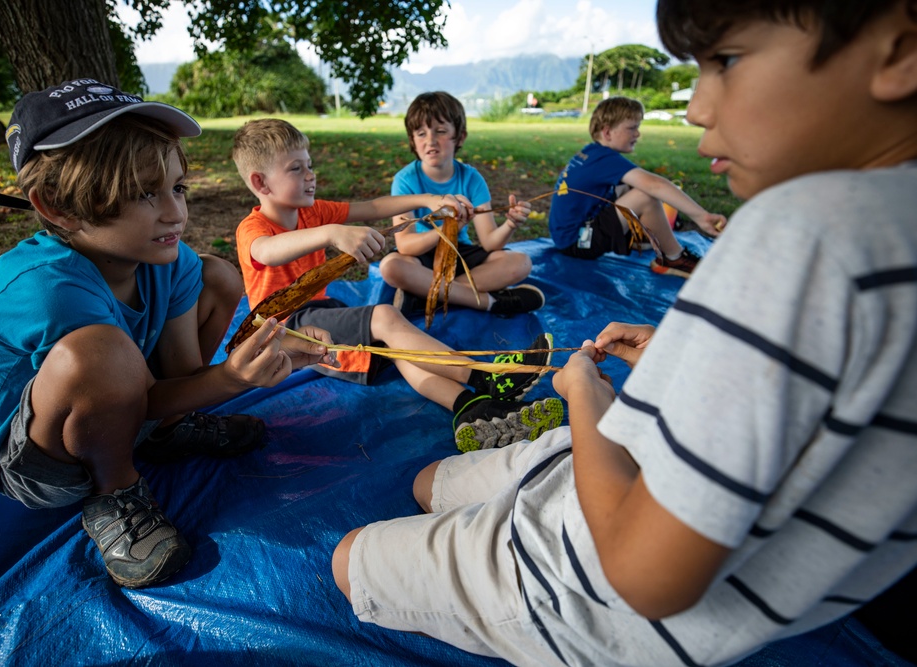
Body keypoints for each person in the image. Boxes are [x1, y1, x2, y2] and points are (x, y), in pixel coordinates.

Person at [331, 0, 917, 665]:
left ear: (898, 51)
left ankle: (497, 454)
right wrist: (681, 351)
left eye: (726, 61)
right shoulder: (873, 234)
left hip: (578, 579)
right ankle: (496, 413)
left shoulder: (802, 233)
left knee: (349, 556)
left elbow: (645, 574)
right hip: (617, 465)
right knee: (427, 481)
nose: (695, 108)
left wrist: (586, 395)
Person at [0, 79, 335, 589]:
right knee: (101, 354)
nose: (176, 212)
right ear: (57, 207)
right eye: (141, 193)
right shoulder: (48, 290)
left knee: (217, 274)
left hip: (126, 405)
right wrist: (231, 379)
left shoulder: (164, 262)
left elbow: (176, 380)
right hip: (34, 462)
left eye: (177, 188)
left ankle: (167, 435)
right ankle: (116, 493)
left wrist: (249, 363)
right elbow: (136, 382)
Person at [232, 118, 564, 453]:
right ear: (261, 183)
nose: (310, 175)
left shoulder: (313, 212)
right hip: (284, 331)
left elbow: (374, 207)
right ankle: (484, 376)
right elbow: (266, 251)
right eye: (295, 168)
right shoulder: (254, 228)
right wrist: (331, 232)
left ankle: (471, 409)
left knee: (402, 351)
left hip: (321, 320)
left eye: (310, 165)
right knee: (385, 317)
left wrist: (430, 199)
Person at [379, 91, 546, 316]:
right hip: (422, 253)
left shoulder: (471, 178)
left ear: (460, 137)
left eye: (440, 131)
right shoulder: (405, 180)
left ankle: (425, 296)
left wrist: (510, 225)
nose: (430, 141)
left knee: (521, 262)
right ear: (412, 140)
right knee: (391, 266)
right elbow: (406, 245)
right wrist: (449, 229)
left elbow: (489, 243)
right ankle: (490, 302)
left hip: (459, 253)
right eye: (421, 133)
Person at [547, 95, 728, 278]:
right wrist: (701, 216)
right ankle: (673, 258)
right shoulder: (604, 159)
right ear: (607, 132)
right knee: (645, 196)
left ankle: (643, 237)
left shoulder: (591, 152)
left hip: (568, 237)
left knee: (629, 186)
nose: (637, 134)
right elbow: (654, 185)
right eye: (632, 128)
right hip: (577, 243)